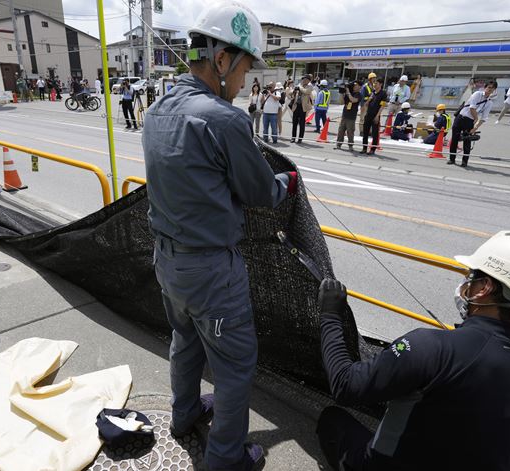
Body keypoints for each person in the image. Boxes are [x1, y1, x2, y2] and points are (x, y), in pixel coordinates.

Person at [142, 3, 297, 469]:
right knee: (234, 366)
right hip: (211, 270)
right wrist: (288, 181)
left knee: (185, 340)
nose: (246, 81)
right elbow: (261, 193)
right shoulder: (224, 119)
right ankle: (226, 459)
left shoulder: (157, 110)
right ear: (222, 58)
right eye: (246, 67)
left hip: (168, 261)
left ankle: (184, 413)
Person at [315, 230, 510, 471]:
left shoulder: (428, 347)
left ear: (484, 289)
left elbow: (345, 385)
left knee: (332, 420)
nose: (466, 284)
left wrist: (330, 314)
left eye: (471, 277)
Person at [448, 81, 496, 167]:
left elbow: (484, 118)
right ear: (485, 87)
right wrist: (476, 118)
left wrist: (476, 127)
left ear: (494, 90)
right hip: (460, 117)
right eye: (489, 87)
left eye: (492, 88)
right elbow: (472, 108)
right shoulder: (477, 94)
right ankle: (452, 159)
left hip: (470, 121)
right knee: (454, 139)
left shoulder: (489, 103)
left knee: (467, 141)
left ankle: (464, 161)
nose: (490, 90)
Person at [360, 78, 386, 155]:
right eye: (374, 83)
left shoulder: (383, 94)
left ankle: (372, 149)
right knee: (365, 132)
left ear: (380, 84)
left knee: (375, 133)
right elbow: (365, 104)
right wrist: (369, 100)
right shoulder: (372, 93)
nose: (374, 85)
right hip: (368, 115)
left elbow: (382, 106)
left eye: (376, 83)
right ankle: (364, 148)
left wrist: (377, 116)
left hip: (376, 116)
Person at [289, 75, 314, 143]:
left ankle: (300, 138)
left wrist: (299, 87)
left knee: (302, 124)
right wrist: (294, 90)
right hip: (296, 106)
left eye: (306, 79)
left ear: (309, 81)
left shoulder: (310, 86)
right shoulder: (298, 85)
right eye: (303, 79)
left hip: (303, 107)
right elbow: (290, 93)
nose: (304, 80)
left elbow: (306, 92)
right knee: (294, 123)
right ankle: (293, 138)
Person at [336, 81, 360, 150]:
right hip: (344, 115)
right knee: (341, 131)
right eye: (354, 86)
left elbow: (353, 100)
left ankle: (350, 145)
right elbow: (341, 102)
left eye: (356, 85)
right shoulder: (347, 93)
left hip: (351, 117)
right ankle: (339, 144)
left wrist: (348, 92)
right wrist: (341, 93)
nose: (354, 87)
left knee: (350, 132)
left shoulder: (358, 94)